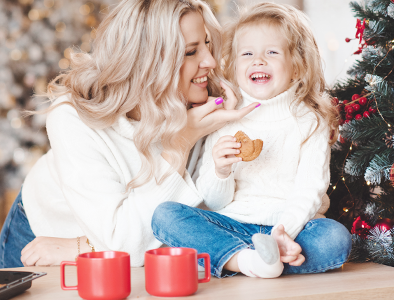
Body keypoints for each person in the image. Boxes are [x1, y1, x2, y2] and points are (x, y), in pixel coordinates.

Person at [0, 0, 260, 268]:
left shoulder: (207, 102)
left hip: (136, 248)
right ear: (148, 63)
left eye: (207, 44)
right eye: (191, 51)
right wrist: (180, 144)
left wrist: (86, 247)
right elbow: (122, 244)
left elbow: (206, 212)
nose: (211, 61)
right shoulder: (71, 117)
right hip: (46, 236)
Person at [151, 2, 352, 278]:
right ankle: (249, 260)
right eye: (247, 53)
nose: (258, 60)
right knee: (165, 215)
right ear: (234, 67)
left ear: (296, 66)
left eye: (271, 52)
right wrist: (221, 171)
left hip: (292, 228)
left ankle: (247, 258)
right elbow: (215, 203)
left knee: (335, 238)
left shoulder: (309, 120)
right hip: (234, 224)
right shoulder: (227, 116)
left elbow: (309, 191)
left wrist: (284, 233)